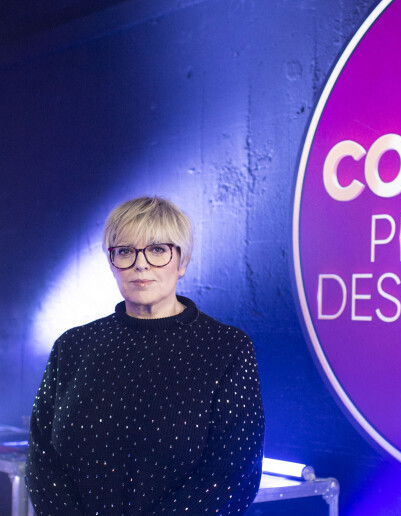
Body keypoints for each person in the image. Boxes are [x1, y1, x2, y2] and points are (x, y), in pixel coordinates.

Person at [25, 196, 265, 515]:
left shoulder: (227, 347)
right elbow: (43, 460)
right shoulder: (73, 345)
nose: (140, 264)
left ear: (182, 262)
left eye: (157, 250)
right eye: (125, 251)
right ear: (112, 263)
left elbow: (231, 476)